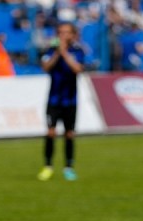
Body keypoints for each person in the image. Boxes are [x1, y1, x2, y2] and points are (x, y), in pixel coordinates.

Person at [37, 22, 85, 182]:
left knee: (69, 134)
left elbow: (77, 69)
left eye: (66, 32)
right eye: (60, 32)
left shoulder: (77, 51)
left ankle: (69, 167)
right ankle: (48, 166)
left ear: (73, 35)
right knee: (50, 132)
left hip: (70, 99)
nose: (63, 35)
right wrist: (58, 53)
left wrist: (64, 53)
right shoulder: (50, 50)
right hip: (54, 99)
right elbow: (46, 67)